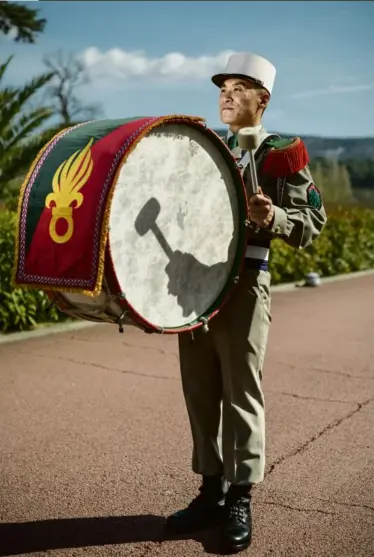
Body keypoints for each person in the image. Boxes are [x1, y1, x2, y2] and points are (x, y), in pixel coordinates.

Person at [165, 52, 327, 553]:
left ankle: (240, 495)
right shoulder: (205, 148)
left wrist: (273, 215)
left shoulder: (283, 153)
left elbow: (312, 224)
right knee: (199, 389)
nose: (227, 95)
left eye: (239, 87)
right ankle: (209, 490)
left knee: (240, 393)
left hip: (244, 283)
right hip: (194, 287)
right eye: (222, 88)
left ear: (264, 99)